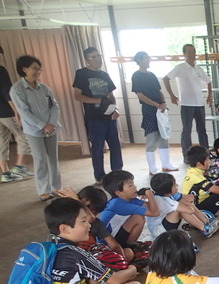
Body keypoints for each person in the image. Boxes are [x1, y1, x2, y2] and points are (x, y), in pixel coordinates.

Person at [32, 197, 141, 284]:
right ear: (64, 228)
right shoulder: (76, 254)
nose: (89, 226)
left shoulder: (46, 249)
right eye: (83, 221)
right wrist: (132, 269)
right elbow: (116, 279)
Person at [9, 55, 61, 201]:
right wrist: (43, 125)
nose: (38, 72)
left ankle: (56, 187)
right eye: (35, 68)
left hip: (51, 129)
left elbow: (55, 106)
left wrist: (51, 124)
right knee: (40, 159)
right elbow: (24, 112)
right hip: (34, 131)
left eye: (39, 69)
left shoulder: (44, 88)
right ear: (24, 69)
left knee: (53, 159)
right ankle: (44, 190)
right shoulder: (17, 89)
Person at [73, 47, 123, 184]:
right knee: (97, 147)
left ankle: (117, 173)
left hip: (109, 116)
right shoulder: (81, 74)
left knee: (115, 145)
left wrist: (115, 109)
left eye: (99, 55)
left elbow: (111, 95)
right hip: (94, 117)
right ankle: (99, 176)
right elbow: (77, 95)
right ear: (87, 60)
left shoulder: (104, 75)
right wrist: (96, 100)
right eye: (93, 57)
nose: (97, 59)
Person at [56, 184, 135, 270]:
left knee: (128, 253)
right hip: (72, 261)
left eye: (91, 209)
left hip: (91, 259)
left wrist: (120, 261)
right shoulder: (67, 220)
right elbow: (90, 218)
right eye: (85, 206)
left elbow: (114, 245)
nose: (87, 211)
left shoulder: (96, 224)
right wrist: (75, 200)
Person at [163, 44, 212, 160]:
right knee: (187, 130)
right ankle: (187, 156)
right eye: (189, 52)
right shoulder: (180, 67)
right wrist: (172, 95)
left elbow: (208, 81)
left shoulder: (198, 68)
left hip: (199, 104)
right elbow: (166, 79)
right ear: (184, 54)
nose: (191, 54)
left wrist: (210, 96)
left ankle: (205, 153)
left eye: (193, 51)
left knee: (202, 130)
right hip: (186, 104)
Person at [131, 51, 178, 175]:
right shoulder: (136, 76)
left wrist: (163, 103)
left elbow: (159, 91)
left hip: (160, 109)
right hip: (149, 110)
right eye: (145, 58)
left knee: (164, 136)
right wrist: (156, 104)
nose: (148, 60)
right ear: (139, 60)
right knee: (151, 138)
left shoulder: (152, 75)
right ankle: (152, 168)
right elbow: (140, 95)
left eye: (148, 58)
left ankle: (166, 164)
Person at [99, 170, 160, 247]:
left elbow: (149, 207)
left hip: (115, 235)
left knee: (139, 215)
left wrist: (148, 197)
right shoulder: (118, 204)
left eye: (133, 184)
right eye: (130, 186)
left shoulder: (130, 199)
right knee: (138, 217)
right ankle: (131, 245)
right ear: (118, 193)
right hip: (106, 244)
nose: (135, 187)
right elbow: (155, 213)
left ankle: (129, 245)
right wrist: (150, 195)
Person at [148, 172, 217, 239]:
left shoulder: (164, 193)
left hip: (165, 221)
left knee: (182, 203)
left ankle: (206, 221)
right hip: (159, 232)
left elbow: (183, 197)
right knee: (181, 210)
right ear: (168, 190)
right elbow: (190, 211)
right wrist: (189, 203)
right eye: (175, 185)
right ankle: (205, 229)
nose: (177, 185)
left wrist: (188, 198)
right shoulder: (163, 201)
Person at [0, 57, 33, 183]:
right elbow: (6, 92)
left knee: (2, 141)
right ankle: (20, 166)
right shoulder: (1, 70)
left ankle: (5, 173)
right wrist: (16, 110)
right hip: (6, 111)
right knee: (23, 136)